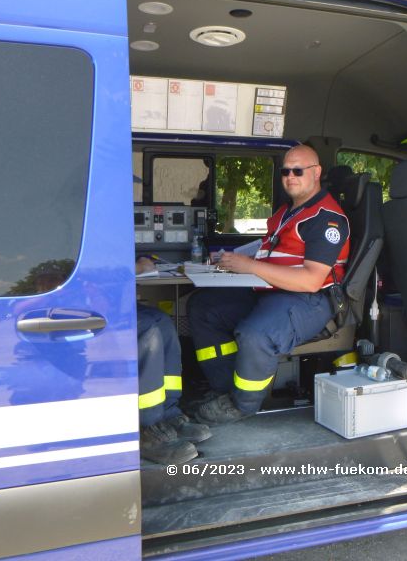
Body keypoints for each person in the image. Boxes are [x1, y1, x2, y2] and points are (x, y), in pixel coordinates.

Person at [187, 145, 351, 424]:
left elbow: (311, 280)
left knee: (256, 333)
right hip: (271, 290)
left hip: (309, 300)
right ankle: (225, 387)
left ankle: (244, 404)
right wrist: (237, 259)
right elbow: (269, 250)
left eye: (298, 170)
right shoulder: (287, 212)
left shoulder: (326, 219)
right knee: (203, 307)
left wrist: (249, 267)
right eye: (286, 171)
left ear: (317, 173)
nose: (290, 176)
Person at [136, 257, 211, 464]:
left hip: (110, 301)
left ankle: (167, 412)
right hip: (80, 306)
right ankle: (147, 427)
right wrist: (140, 267)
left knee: (162, 322)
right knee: (146, 330)